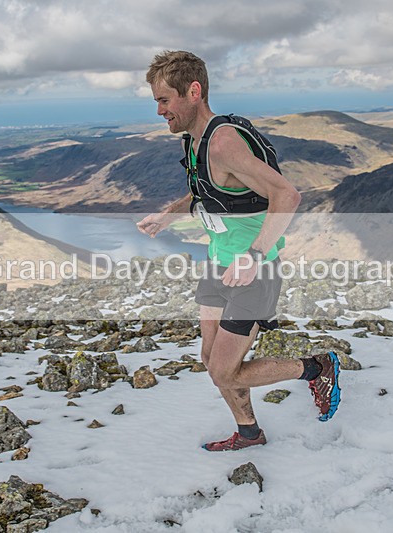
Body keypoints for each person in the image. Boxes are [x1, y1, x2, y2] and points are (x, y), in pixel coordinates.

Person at [137, 50, 341, 451]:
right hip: (219, 264)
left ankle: (317, 368)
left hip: (252, 272)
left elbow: (287, 194)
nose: (160, 110)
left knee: (224, 371)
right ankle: (249, 433)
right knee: (212, 360)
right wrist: (167, 216)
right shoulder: (194, 141)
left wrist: (256, 255)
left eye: (164, 100)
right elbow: (205, 194)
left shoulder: (223, 143)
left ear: (193, 91)